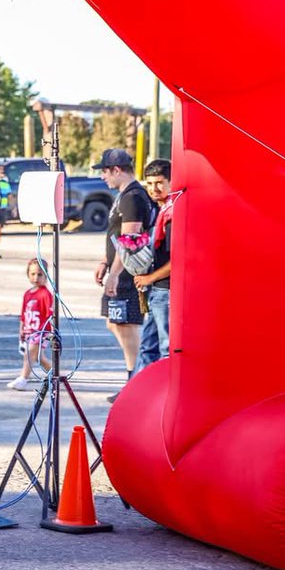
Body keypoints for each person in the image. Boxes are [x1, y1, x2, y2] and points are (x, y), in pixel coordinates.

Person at [93, 149, 155, 398]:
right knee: (115, 323)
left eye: (105, 172)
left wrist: (115, 273)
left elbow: (129, 239)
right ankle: (135, 376)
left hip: (129, 273)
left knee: (127, 325)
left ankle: (136, 381)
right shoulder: (124, 196)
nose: (102, 178)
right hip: (120, 268)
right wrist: (104, 262)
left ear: (117, 170)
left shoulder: (133, 197)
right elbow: (116, 236)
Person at [133, 159, 176, 374]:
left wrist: (149, 278)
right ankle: (137, 393)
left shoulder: (172, 217)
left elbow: (177, 261)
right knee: (147, 347)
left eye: (159, 182)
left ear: (171, 182)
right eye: (149, 184)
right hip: (156, 291)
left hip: (166, 291)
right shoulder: (161, 212)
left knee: (166, 348)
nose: (154, 189)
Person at [7, 258, 54, 390]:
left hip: (41, 331)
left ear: (45, 275)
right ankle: (54, 374)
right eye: (32, 274)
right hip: (30, 330)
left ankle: (23, 378)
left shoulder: (45, 294)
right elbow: (23, 314)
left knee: (29, 354)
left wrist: (50, 331)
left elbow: (50, 314)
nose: (36, 277)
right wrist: (21, 329)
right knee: (38, 357)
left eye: (40, 274)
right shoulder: (28, 294)